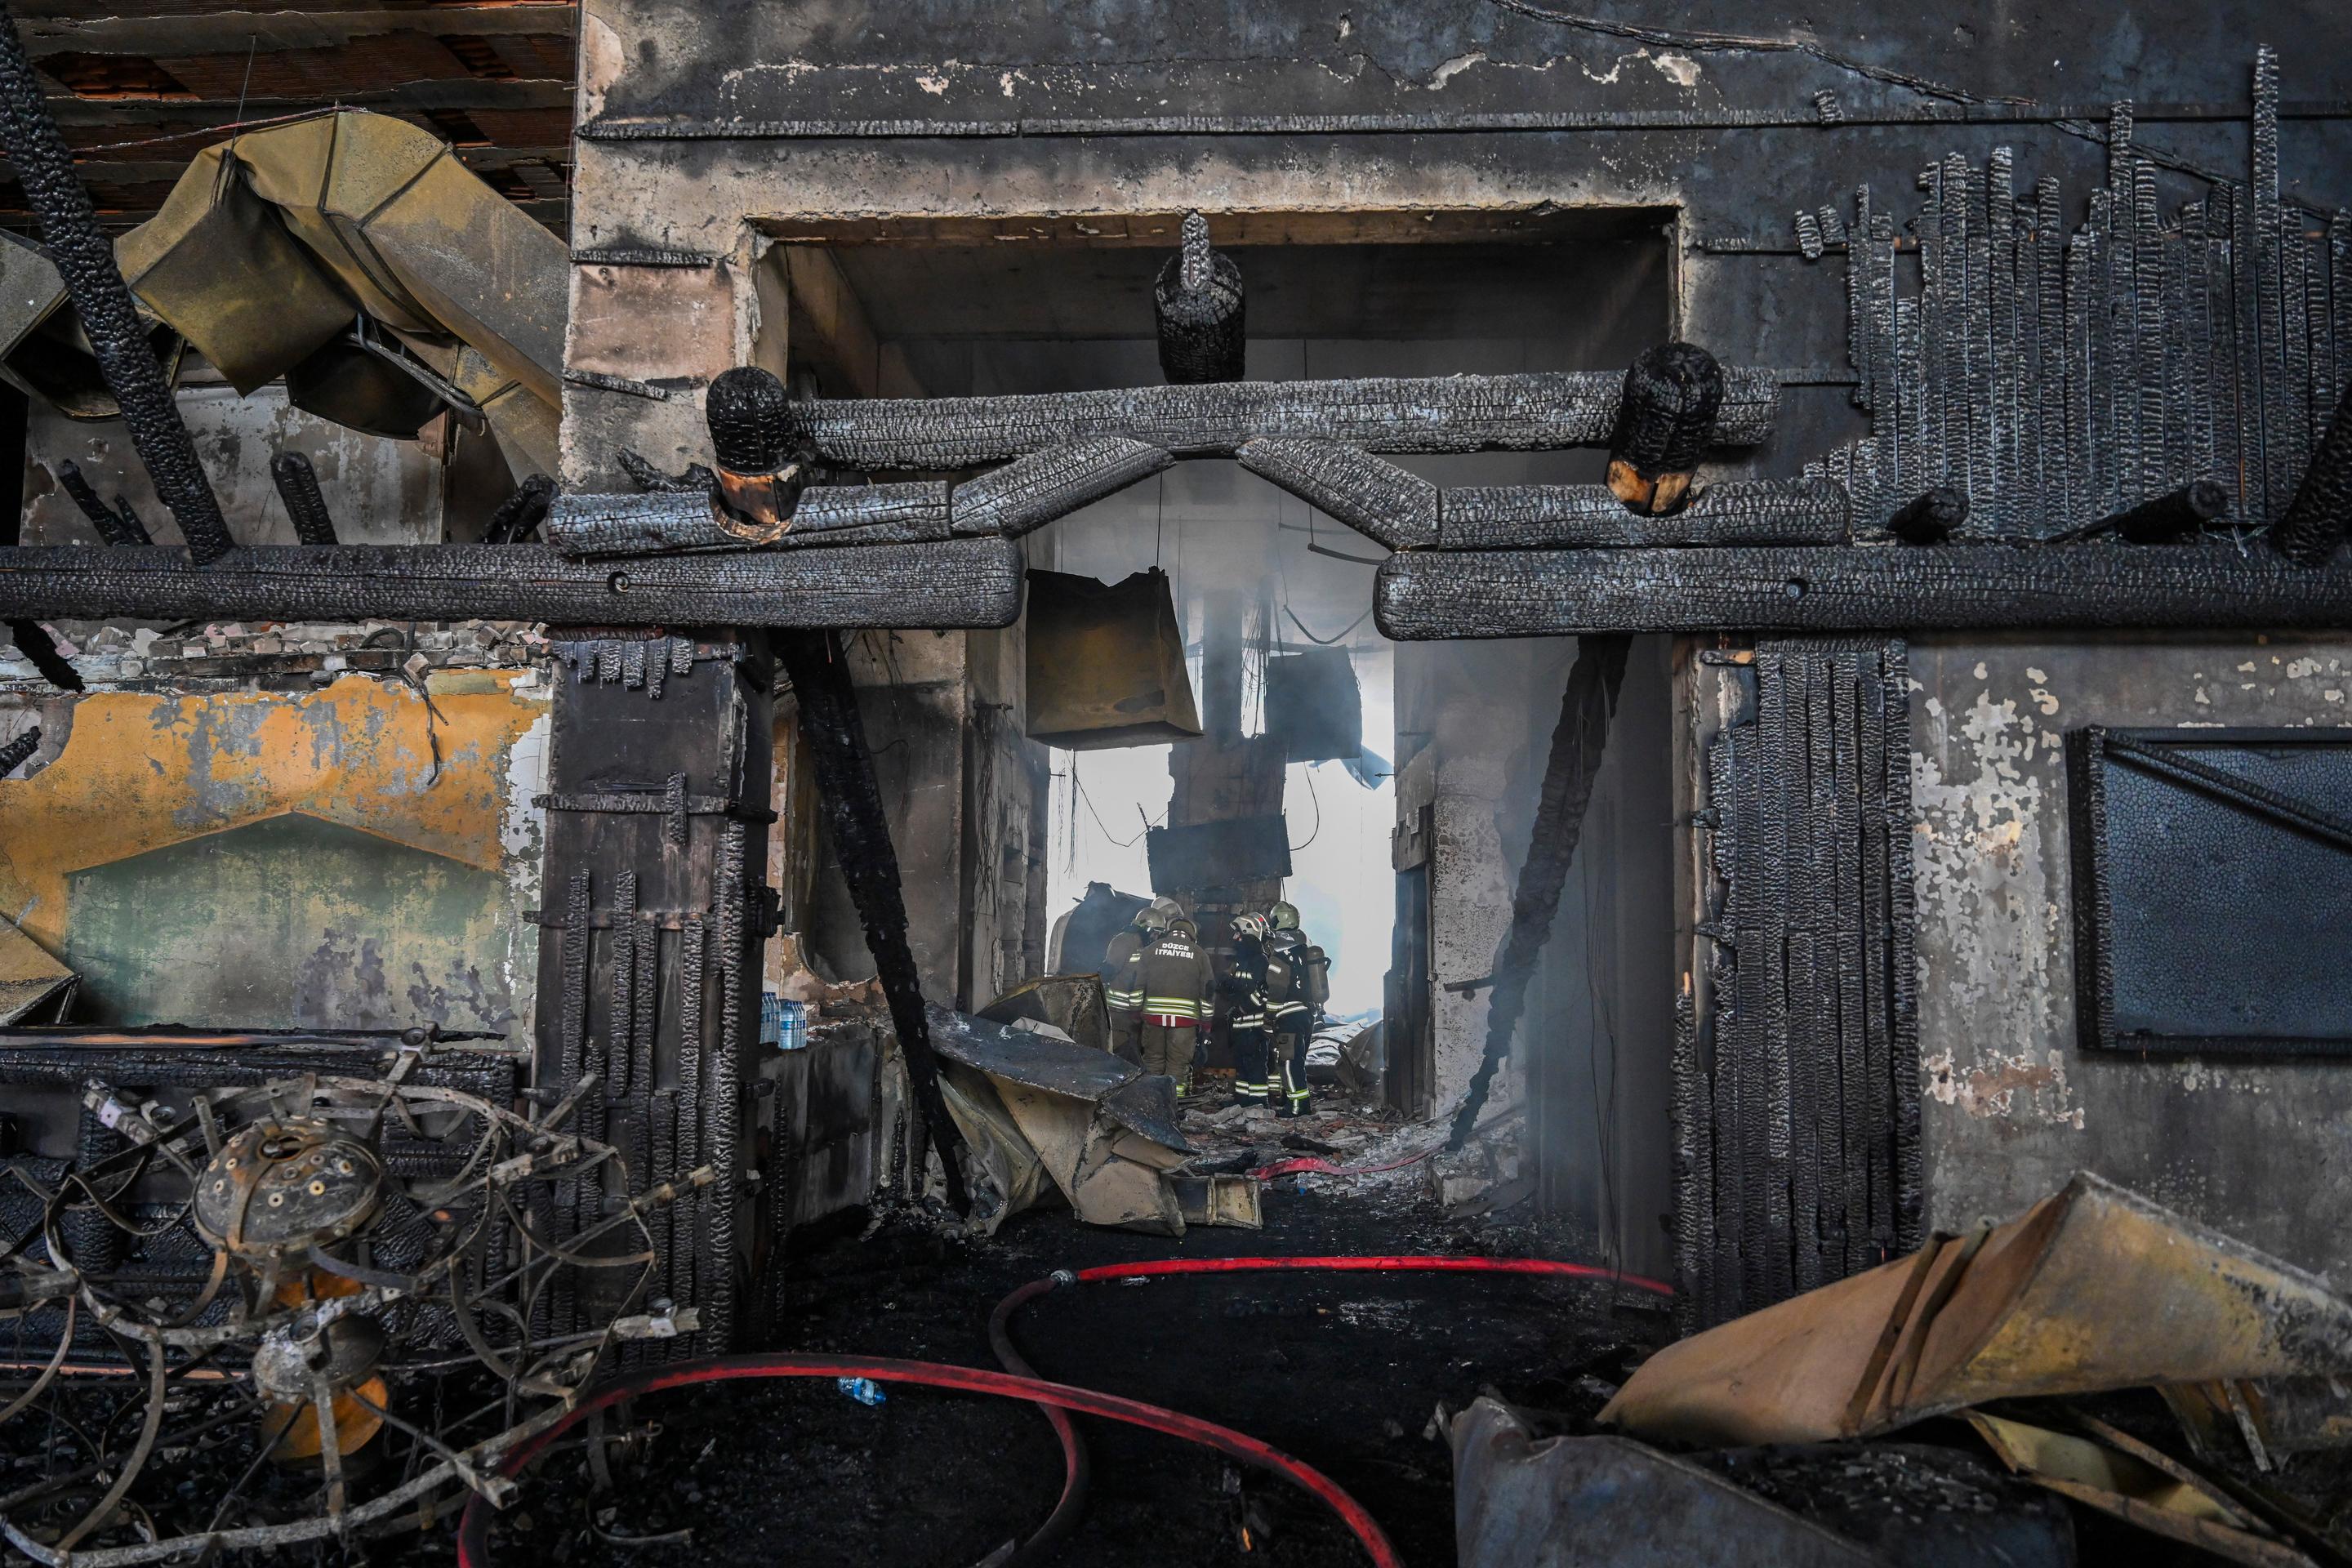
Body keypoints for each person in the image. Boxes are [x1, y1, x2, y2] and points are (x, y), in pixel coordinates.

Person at [1134, 913, 1214, 1092]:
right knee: (1178, 1065)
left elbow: (1138, 985)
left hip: (1153, 1019)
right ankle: (1174, 1107)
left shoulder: (1151, 949)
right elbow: (1207, 993)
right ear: (1192, 935)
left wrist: (1136, 1013)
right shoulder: (1199, 954)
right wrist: (1206, 1026)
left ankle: (1150, 1106)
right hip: (1184, 1022)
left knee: (1152, 1061)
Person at [1104, 901, 1170, 1057]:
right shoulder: (1124, 941)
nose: (1156, 937)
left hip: (1136, 1016)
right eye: (1155, 932)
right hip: (1118, 1015)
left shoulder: (1146, 946)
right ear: (1145, 927)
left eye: (1159, 934)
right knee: (1118, 1055)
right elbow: (1108, 972)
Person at [1263, 927, 1316, 1118]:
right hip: (1307, 1015)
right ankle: (1293, 1101)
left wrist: (1269, 1017)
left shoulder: (1281, 957)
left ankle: (1297, 1107)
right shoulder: (1305, 954)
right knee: (1297, 1061)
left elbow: (1277, 990)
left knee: (1288, 1062)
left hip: (1289, 1017)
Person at [1224, 911, 1272, 1107]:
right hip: (1241, 1027)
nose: (1235, 938)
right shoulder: (1242, 961)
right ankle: (1243, 1101)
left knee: (1256, 1067)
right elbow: (1242, 988)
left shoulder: (1260, 960)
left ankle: (1259, 1103)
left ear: (1247, 934)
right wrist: (1228, 985)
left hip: (1254, 1027)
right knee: (1242, 1066)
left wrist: (1243, 1009)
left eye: (1238, 934)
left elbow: (1263, 992)